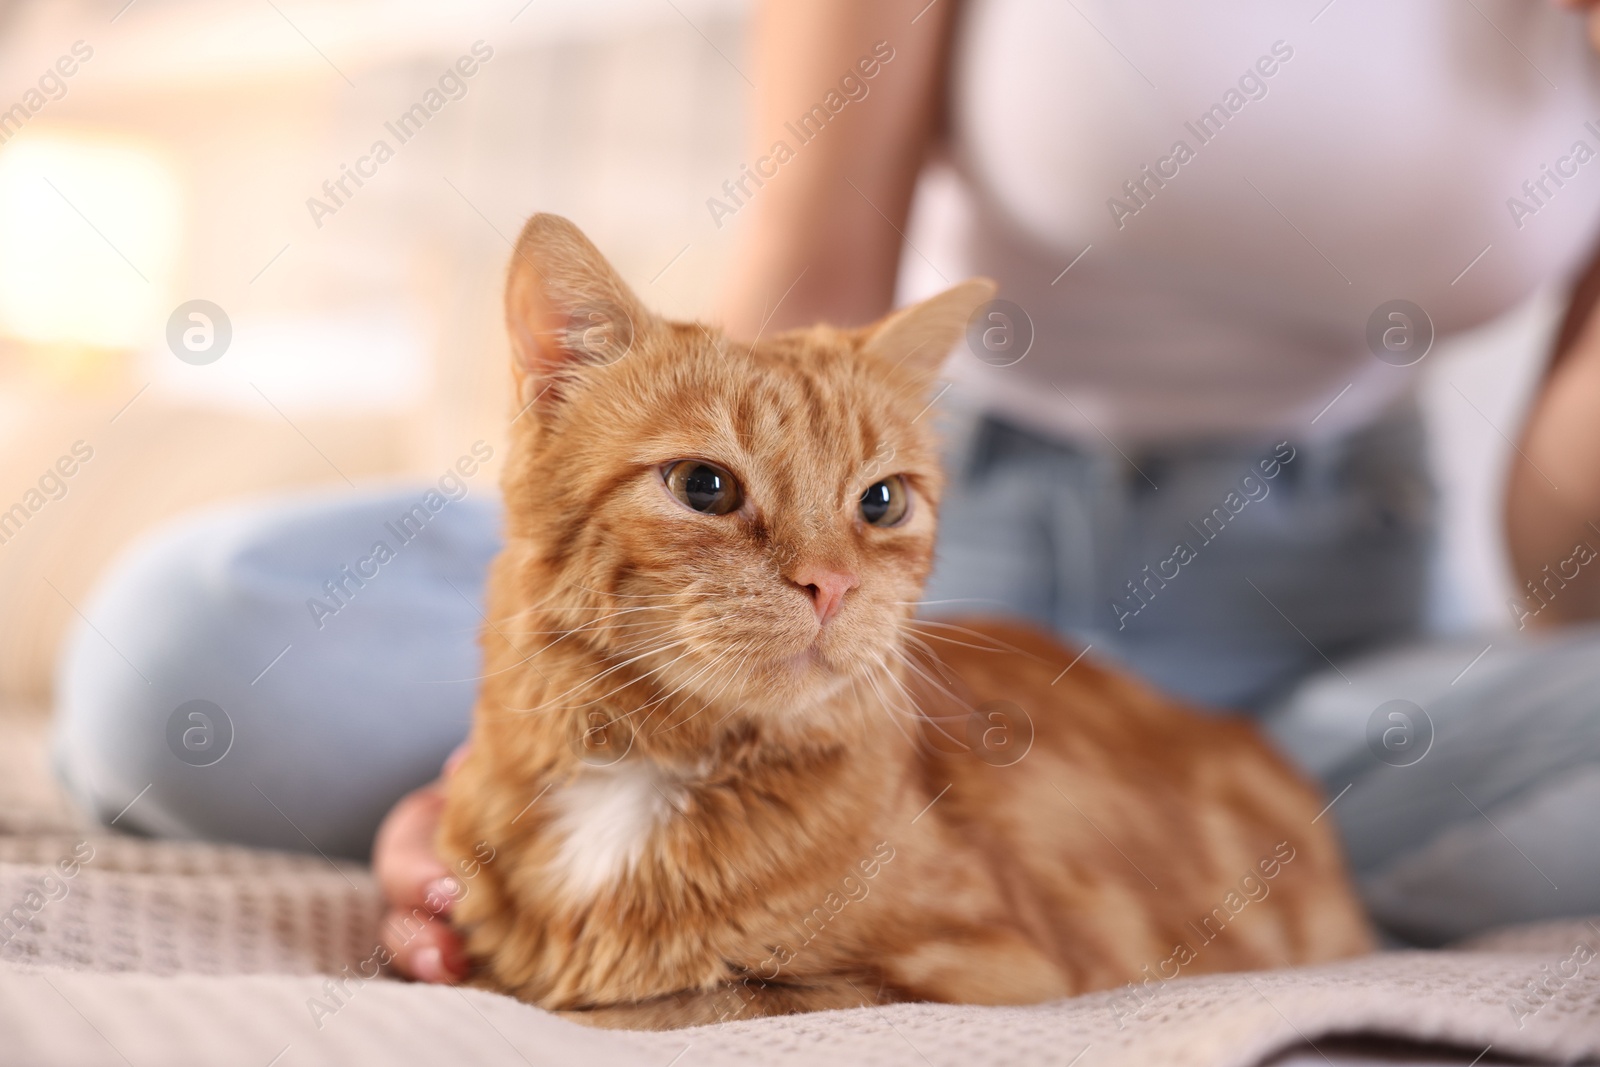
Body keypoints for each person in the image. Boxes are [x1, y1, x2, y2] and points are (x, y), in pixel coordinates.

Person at [52, 0, 1600, 985]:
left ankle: (1232, 835)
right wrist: (530, 737)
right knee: (182, 650)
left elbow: (1565, 578)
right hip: (910, 515)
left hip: (1313, 645)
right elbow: (806, 274)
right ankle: (640, 794)